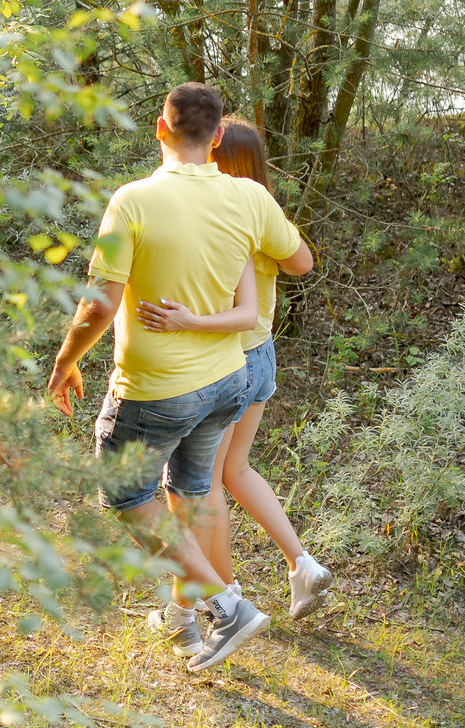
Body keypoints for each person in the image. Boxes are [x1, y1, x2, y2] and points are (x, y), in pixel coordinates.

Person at [46, 84, 309, 672]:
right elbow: (300, 261)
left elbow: (99, 306)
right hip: (226, 383)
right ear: (218, 138)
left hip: (155, 390)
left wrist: (66, 362)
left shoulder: (133, 200)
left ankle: (224, 604)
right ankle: (186, 624)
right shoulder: (248, 197)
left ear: (159, 130)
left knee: (127, 492)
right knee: (191, 493)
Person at [142, 117, 331, 653]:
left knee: (202, 486)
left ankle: (220, 599)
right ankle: (302, 563)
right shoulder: (260, 211)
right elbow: (301, 262)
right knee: (233, 471)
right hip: (263, 355)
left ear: (220, 156)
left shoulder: (221, 211)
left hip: (227, 361)